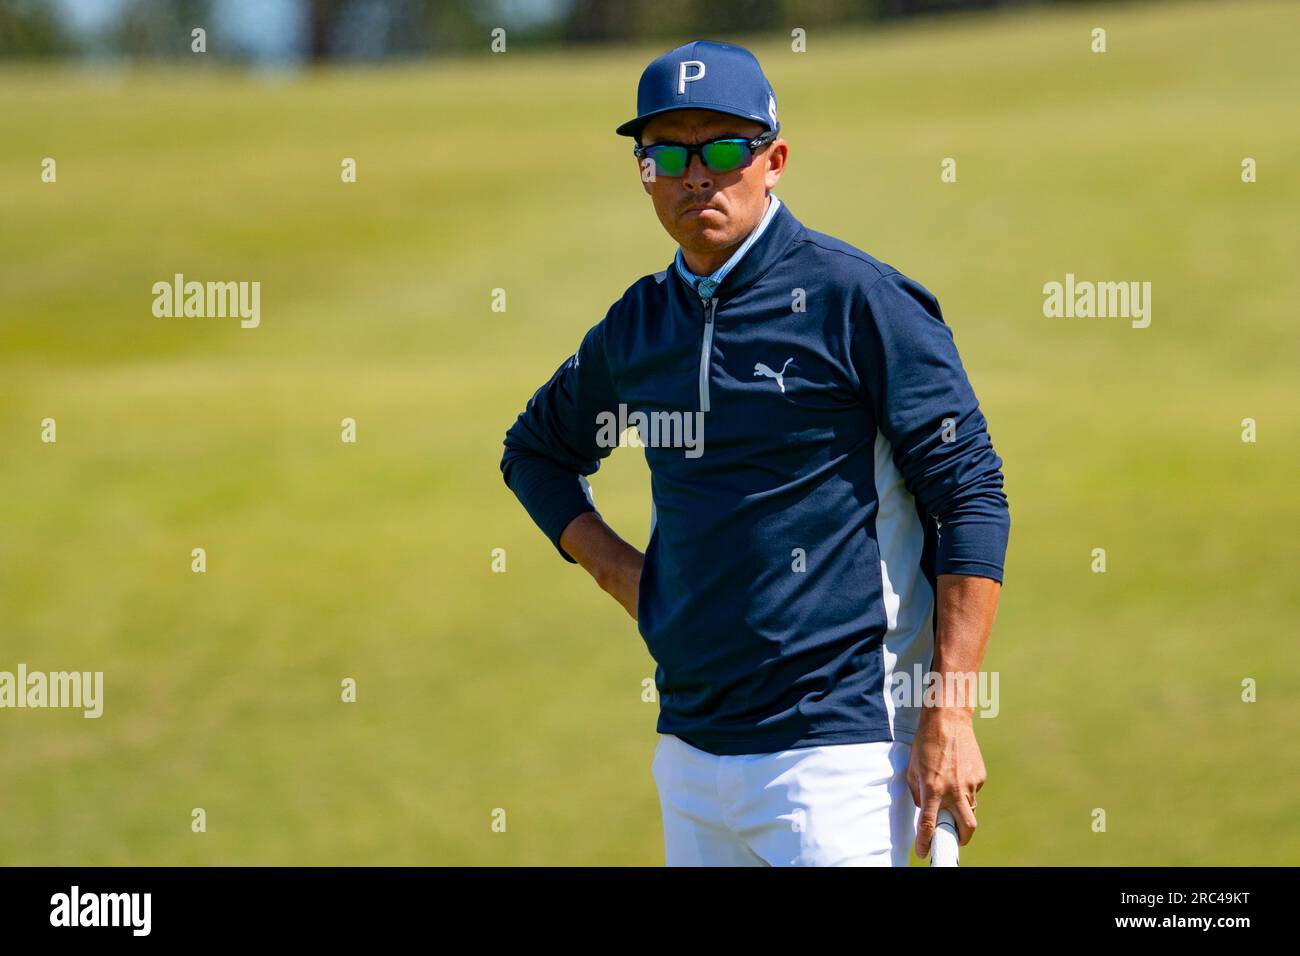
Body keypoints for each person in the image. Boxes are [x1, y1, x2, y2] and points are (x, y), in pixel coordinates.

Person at [501, 39, 1009, 866]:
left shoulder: (860, 300)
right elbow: (535, 453)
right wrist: (626, 577)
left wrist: (950, 712)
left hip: (843, 754)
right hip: (691, 756)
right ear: (644, 172)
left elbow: (971, 497)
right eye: (668, 154)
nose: (696, 175)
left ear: (774, 160)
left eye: (725, 149)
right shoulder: (639, 324)